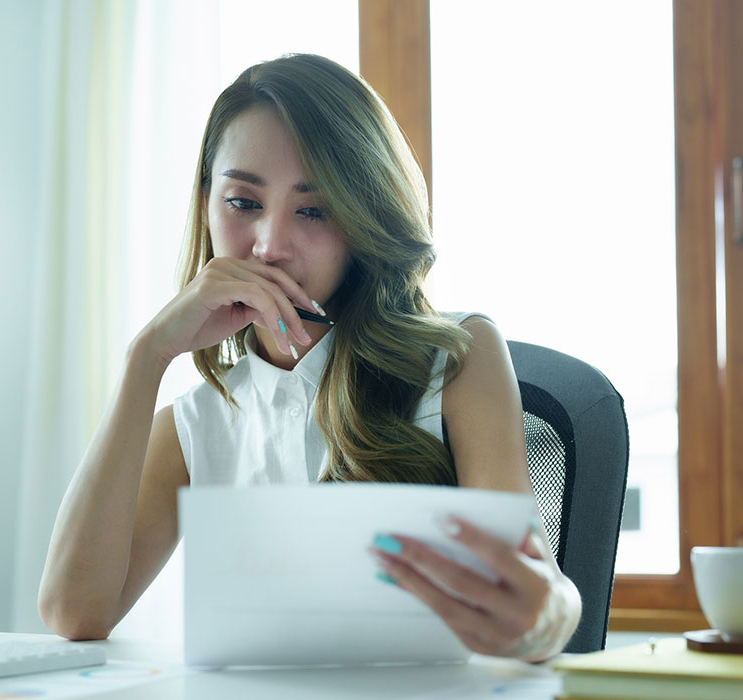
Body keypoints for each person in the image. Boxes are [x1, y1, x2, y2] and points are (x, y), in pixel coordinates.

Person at [37, 53, 581, 661]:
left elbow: (534, 586)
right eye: (243, 202)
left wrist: (550, 615)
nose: (269, 247)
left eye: (313, 210)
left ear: (362, 219)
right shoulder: (196, 424)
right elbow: (73, 612)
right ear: (205, 205)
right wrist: (146, 356)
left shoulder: (458, 360)